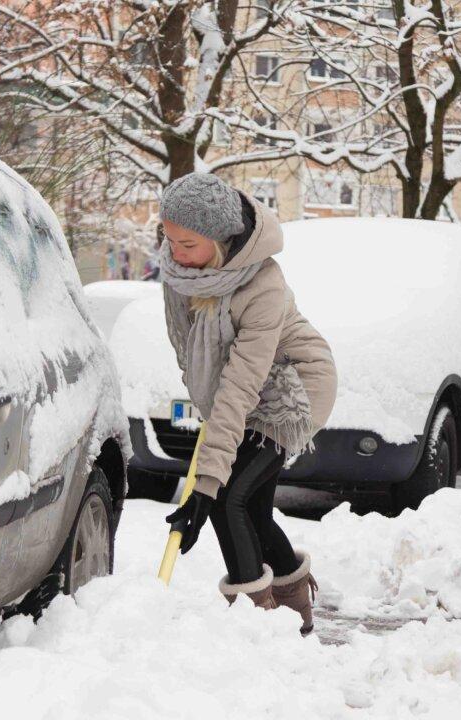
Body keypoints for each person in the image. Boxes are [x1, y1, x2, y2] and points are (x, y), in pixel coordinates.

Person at [159, 172, 338, 635]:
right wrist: (213, 432)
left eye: (189, 244)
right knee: (251, 507)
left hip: (292, 387)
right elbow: (191, 353)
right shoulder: (179, 273)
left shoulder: (261, 287)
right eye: (169, 238)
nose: (176, 252)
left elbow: (240, 386)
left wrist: (203, 487)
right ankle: (294, 608)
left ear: (220, 243)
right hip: (244, 389)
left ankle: (254, 628)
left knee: (228, 498)